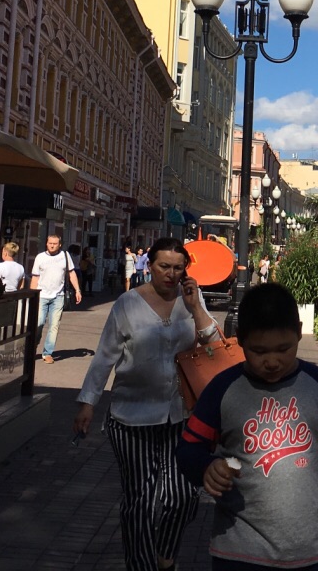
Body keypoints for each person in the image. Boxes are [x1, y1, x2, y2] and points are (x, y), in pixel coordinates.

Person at [177, 283, 318, 571]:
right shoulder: (223, 388)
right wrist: (207, 466)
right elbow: (189, 449)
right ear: (240, 339)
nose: (271, 361)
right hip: (238, 553)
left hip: (311, 552)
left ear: (299, 332)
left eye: (283, 348)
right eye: (258, 351)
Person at [73, 238, 216, 571]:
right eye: (164, 266)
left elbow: (213, 343)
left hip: (180, 415)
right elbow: (105, 356)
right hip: (131, 418)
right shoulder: (126, 304)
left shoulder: (191, 300)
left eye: (178, 268)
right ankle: (141, 566)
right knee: (139, 501)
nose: (170, 274)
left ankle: (166, 554)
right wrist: (87, 403)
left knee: (183, 496)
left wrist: (196, 308)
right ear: (149, 265)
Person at [30, 234, 80, 363]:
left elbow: (71, 273)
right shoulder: (40, 257)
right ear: (46, 243)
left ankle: (47, 353)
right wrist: (32, 296)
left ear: (60, 245)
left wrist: (77, 290)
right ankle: (32, 347)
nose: (52, 245)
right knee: (38, 323)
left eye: (55, 243)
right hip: (41, 296)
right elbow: (35, 277)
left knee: (54, 326)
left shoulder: (65, 256)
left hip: (58, 296)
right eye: (50, 243)